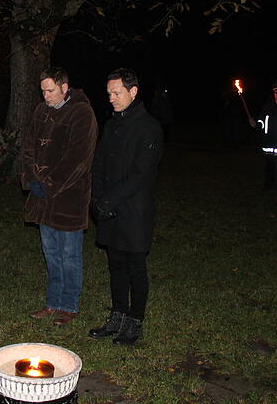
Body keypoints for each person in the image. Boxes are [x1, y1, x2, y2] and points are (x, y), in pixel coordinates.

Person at [89, 68, 163, 346]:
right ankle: (117, 316)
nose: (111, 98)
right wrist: (97, 198)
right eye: (109, 93)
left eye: (117, 93)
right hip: (109, 209)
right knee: (115, 265)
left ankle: (135, 321)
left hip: (134, 211)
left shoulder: (149, 128)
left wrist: (109, 201)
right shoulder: (111, 125)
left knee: (135, 266)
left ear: (133, 92)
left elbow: (141, 174)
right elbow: (99, 164)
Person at [22, 67, 98, 326]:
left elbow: (78, 158)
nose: (46, 96)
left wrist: (51, 184)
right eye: (43, 91)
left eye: (50, 90)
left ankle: (69, 305)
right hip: (43, 200)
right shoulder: (40, 111)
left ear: (65, 87)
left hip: (69, 199)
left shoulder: (81, 114)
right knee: (51, 252)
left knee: (69, 254)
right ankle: (53, 303)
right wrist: (32, 178)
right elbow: (29, 147)